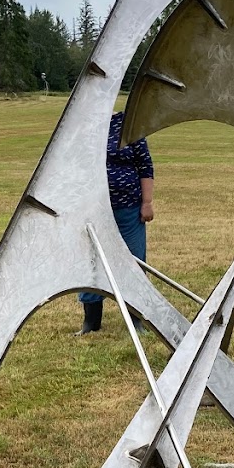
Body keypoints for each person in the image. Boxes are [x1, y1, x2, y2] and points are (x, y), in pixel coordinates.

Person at [77, 109, 154, 333]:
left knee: (134, 261)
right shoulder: (83, 124)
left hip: (128, 208)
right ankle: (91, 323)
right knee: (92, 262)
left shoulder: (129, 125)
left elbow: (145, 166)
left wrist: (147, 202)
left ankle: (137, 320)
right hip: (93, 209)